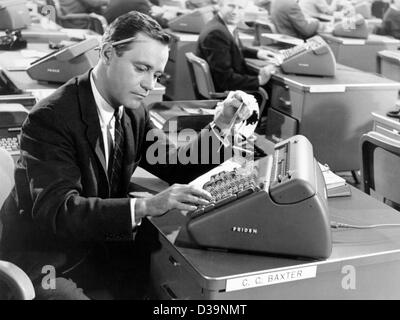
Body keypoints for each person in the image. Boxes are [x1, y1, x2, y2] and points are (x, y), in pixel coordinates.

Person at [0, 11, 255, 300]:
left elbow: (175, 165)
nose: (150, 84)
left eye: (156, 74)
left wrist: (220, 125)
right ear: (108, 54)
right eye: (141, 68)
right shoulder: (50, 118)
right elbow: (60, 212)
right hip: (48, 260)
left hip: (98, 244)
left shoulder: (133, 110)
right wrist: (145, 206)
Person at [196, 0, 278, 93]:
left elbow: (234, 49)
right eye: (231, 6)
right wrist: (259, 80)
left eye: (240, 8)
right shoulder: (216, 33)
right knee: (274, 90)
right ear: (220, 6)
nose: (235, 12)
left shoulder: (222, 26)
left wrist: (258, 53)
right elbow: (225, 80)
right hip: (227, 94)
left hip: (228, 86)